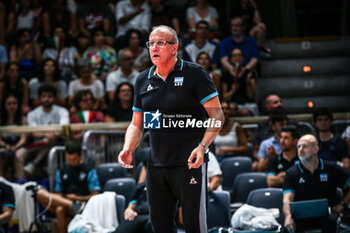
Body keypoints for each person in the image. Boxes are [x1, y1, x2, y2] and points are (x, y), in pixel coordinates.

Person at [118, 25, 224, 233]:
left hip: (189, 164)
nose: (154, 47)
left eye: (160, 43)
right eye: (151, 43)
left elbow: (217, 115)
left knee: (195, 227)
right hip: (156, 166)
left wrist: (202, 147)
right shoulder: (142, 79)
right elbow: (136, 124)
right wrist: (128, 148)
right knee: (160, 228)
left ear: (174, 48)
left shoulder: (194, 73)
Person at [283, 134, 350, 232]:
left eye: (305, 146)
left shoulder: (331, 168)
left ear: (315, 149)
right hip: (301, 217)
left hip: (328, 215)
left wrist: (343, 204)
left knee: (332, 222)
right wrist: (288, 216)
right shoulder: (291, 173)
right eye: (298, 146)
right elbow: (287, 199)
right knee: (288, 227)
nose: (300, 149)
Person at [36, 139, 101, 233]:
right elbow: (57, 193)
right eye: (69, 159)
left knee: (59, 210)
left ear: (81, 155)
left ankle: (76, 205)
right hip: (65, 202)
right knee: (39, 192)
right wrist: (65, 200)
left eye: (74, 159)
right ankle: (72, 205)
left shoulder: (89, 170)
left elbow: (95, 195)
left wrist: (77, 197)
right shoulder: (62, 170)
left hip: (83, 204)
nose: (71, 162)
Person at [25, 84, 69, 176]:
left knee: (51, 142)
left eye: (49, 96)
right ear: (40, 98)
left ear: (54, 98)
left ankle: (34, 163)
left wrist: (53, 135)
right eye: (44, 96)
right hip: (37, 145)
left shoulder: (62, 111)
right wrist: (46, 135)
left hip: (58, 142)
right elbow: (34, 133)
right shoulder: (32, 114)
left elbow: (63, 129)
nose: (46, 99)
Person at [0, 94, 28, 180]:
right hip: (4, 145)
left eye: (14, 103)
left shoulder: (23, 119)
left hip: (19, 146)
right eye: (9, 103)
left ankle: (21, 183)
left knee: (19, 155)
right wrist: (6, 146)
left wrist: (15, 147)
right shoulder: (0, 119)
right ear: (4, 105)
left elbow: (24, 138)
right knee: (1, 154)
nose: (12, 106)